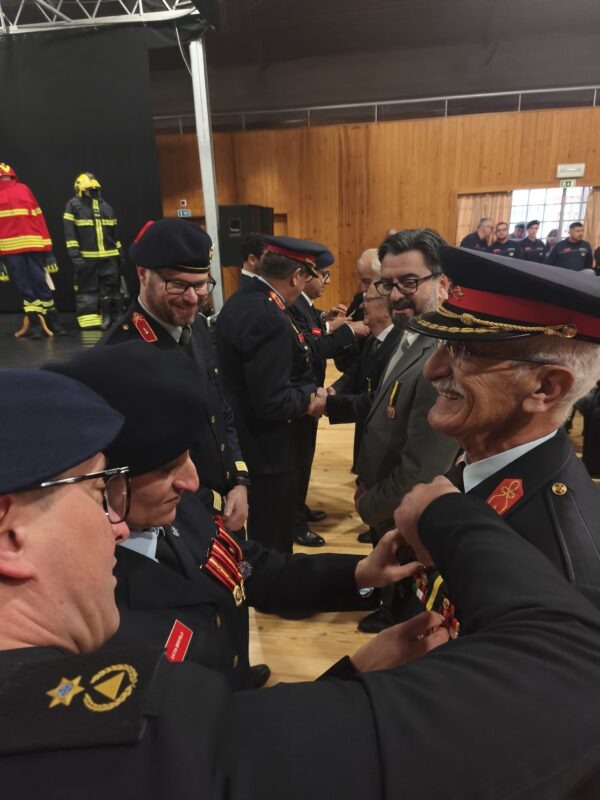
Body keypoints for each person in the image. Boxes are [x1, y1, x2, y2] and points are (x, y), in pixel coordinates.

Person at [3, 374, 600, 798]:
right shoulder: (80, 732)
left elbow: (249, 577)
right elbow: (570, 672)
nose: (114, 522)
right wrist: (446, 515)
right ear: (10, 534)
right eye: (98, 491)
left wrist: (355, 622)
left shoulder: (170, 518)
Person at [45, 341, 420, 690]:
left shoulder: (167, 507)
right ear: (102, 479)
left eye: (188, 457)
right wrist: (355, 674)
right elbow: (214, 731)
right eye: (165, 469)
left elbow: (249, 568)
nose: (192, 482)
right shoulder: (89, 610)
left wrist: (360, 573)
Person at [410, 246, 600, 605]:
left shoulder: (563, 569)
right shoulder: (481, 458)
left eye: (464, 351)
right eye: (443, 344)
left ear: (545, 388)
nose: (431, 370)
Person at [338, 229, 458, 632]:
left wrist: (369, 504)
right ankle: (386, 608)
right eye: (387, 284)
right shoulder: (408, 334)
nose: (395, 295)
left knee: (410, 612)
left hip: (406, 511)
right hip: (385, 500)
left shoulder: (442, 355)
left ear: (442, 284)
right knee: (391, 582)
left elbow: (422, 470)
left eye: (409, 282)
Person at [99, 218, 250, 530]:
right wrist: (217, 502)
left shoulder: (194, 328)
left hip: (224, 504)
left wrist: (239, 479)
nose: (193, 298)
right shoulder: (119, 356)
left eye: (201, 285)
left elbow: (220, 411)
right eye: (178, 285)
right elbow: (140, 468)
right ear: (143, 274)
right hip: (175, 521)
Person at [217, 235, 328, 553]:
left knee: (260, 535)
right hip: (269, 449)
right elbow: (272, 402)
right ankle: (272, 584)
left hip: (248, 437)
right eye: (306, 278)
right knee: (273, 539)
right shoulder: (268, 316)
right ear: (296, 276)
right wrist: (311, 399)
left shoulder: (243, 300)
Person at [288, 247, 369, 546]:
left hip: (311, 392)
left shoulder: (303, 303)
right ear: (303, 276)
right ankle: (294, 521)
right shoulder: (291, 303)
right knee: (297, 462)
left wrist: (324, 319)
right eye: (323, 275)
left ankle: (299, 509)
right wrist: (349, 331)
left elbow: (312, 327)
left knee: (304, 459)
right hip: (300, 396)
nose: (328, 281)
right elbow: (313, 347)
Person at [328, 282, 402, 497]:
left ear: (385, 308)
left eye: (367, 301)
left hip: (386, 442)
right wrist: (335, 390)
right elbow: (355, 372)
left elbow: (380, 400)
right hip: (368, 435)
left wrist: (329, 404)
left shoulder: (398, 346)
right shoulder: (374, 338)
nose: (361, 306)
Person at [0, 162, 64, 338]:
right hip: (11, 249)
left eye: (8, 177)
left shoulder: (24, 189)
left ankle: (52, 320)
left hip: (34, 246)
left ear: (13, 176)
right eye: (3, 178)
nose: (6, 180)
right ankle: (35, 323)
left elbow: (39, 218)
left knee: (40, 281)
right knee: (25, 285)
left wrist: (48, 251)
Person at [63, 172, 124, 330]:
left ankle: (111, 318)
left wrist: (120, 251)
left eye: (96, 189)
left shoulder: (107, 208)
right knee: (87, 290)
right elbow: (70, 234)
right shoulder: (73, 206)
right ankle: (89, 321)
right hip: (87, 259)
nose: (94, 192)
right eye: (90, 189)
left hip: (109, 258)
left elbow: (114, 233)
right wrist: (75, 256)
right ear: (80, 190)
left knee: (111, 290)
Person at [334, 247, 381, 372]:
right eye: (361, 281)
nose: (363, 288)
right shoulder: (359, 299)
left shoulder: (396, 309)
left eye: (367, 281)